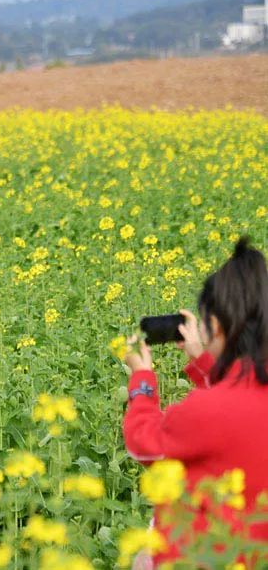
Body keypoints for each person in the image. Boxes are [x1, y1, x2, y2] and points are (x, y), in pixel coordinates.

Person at [123, 237, 268, 565]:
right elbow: (239, 399)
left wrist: (141, 379)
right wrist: (204, 362)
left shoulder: (206, 409)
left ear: (216, 327)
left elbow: (144, 445)